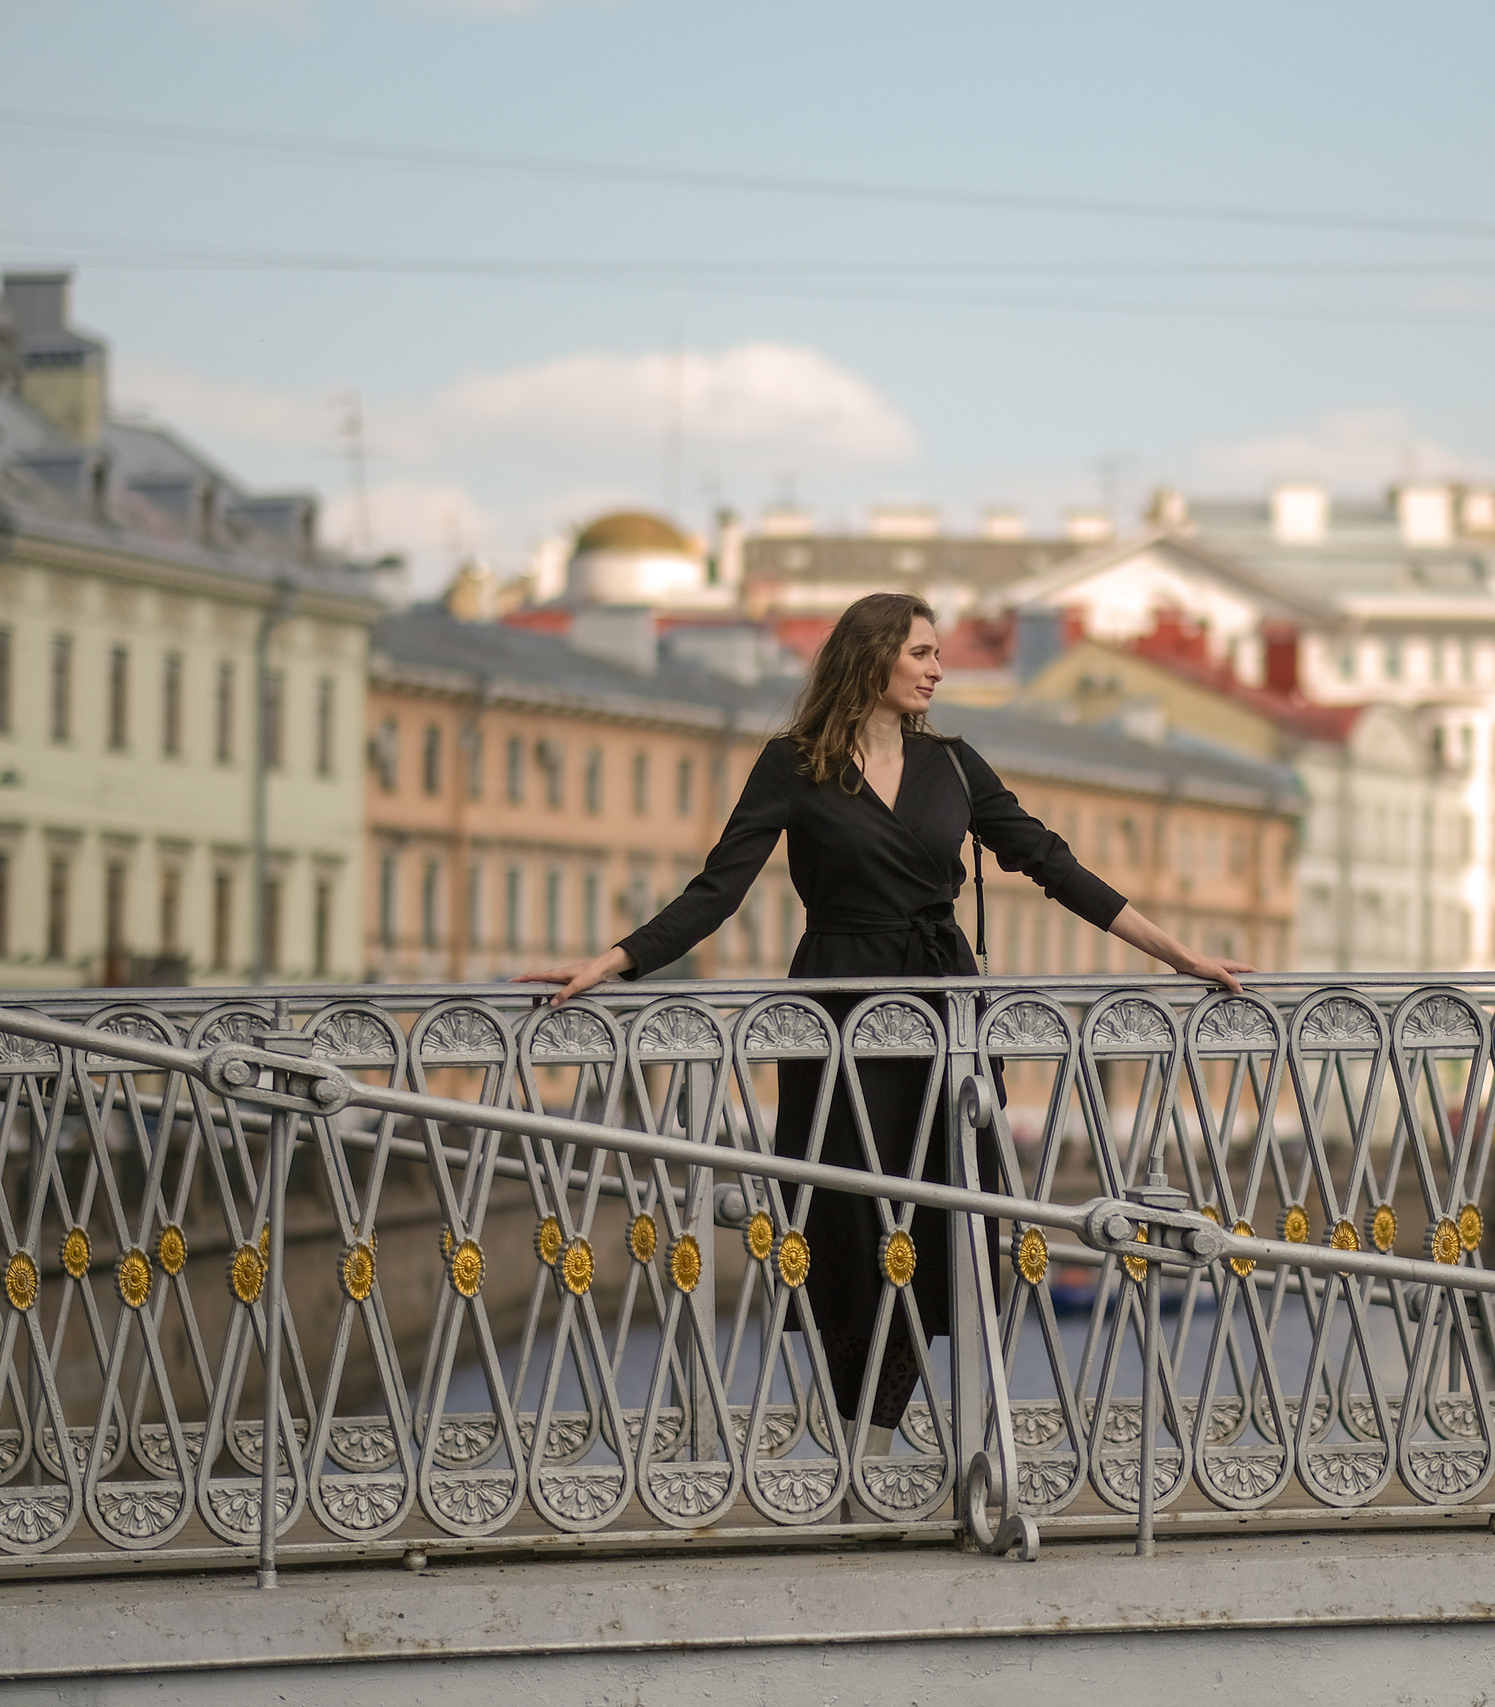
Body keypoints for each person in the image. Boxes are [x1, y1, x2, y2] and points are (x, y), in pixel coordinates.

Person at [514, 590, 1251, 1460]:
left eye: (939, 655)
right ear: (872, 657)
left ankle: (870, 1443)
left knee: (938, 1220)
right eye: (923, 653)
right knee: (844, 1222)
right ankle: (853, 1437)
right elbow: (717, 891)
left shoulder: (955, 764)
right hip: (837, 1015)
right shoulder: (793, 764)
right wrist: (613, 960)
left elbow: (1053, 864)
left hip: (943, 1014)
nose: (939, 669)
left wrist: (1178, 955)